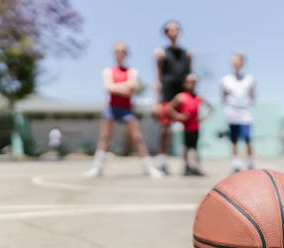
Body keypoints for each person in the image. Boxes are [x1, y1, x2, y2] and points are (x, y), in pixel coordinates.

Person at [86, 42, 162, 178]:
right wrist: (124, 87)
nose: (120, 53)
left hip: (127, 109)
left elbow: (132, 88)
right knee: (104, 137)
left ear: (127, 54)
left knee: (137, 137)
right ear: (114, 54)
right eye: (117, 51)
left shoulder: (132, 71)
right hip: (111, 108)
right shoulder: (108, 71)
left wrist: (117, 87)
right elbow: (108, 87)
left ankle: (148, 167)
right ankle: (97, 168)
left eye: (123, 51)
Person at [155, 20, 192, 174]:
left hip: (183, 96)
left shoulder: (187, 54)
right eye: (170, 30)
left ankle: (188, 164)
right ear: (165, 33)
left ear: (180, 32)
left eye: (176, 29)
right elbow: (158, 78)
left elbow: (189, 76)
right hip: (167, 95)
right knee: (165, 129)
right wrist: (157, 101)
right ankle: (163, 162)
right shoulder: (161, 54)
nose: (173, 32)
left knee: (188, 130)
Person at [167, 73, 213, 176]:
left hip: (196, 126)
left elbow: (210, 107)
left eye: (194, 82)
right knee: (186, 147)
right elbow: (169, 108)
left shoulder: (198, 97)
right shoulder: (181, 97)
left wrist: (203, 118)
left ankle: (196, 167)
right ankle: (186, 167)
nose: (192, 84)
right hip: (186, 127)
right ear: (185, 83)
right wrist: (178, 116)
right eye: (190, 82)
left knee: (195, 148)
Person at [221, 52, 256, 172]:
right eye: (233, 61)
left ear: (242, 63)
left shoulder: (249, 79)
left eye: (238, 60)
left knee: (247, 137)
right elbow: (223, 96)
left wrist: (246, 106)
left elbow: (252, 95)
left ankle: (250, 160)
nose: (235, 63)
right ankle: (236, 161)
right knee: (234, 139)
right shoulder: (226, 80)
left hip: (245, 112)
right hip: (232, 112)